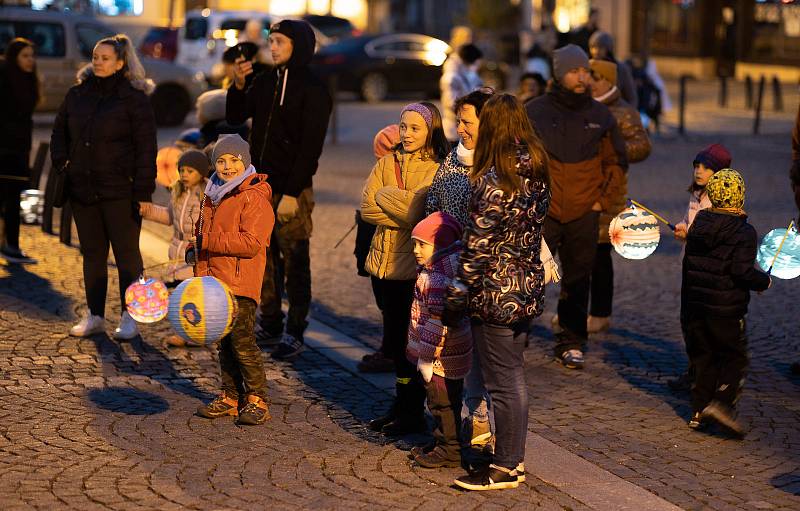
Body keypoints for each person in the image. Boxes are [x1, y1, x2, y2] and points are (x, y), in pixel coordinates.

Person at [443, 93, 550, 491]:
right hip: (525, 286)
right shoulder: (536, 168)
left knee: (503, 383)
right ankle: (511, 461)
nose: (469, 128)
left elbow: (478, 243)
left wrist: (458, 291)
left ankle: (505, 466)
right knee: (512, 377)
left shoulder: (495, 178)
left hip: (495, 292)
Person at [226, 19, 332, 360]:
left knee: (295, 259)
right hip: (259, 186)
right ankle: (270, 320)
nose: (272, 47)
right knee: (263, 257)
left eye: (280, 42)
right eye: (271, 41)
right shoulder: (265, 79)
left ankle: (295, 329)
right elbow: (235, 115)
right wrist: (239, 85)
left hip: (292, 190)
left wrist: (291, 192)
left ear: (298, 45)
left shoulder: (314, 87)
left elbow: (310, 148)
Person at [526, 44, 627, 370]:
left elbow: (616, 162)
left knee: (578, 280)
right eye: (574, 71)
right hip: (544, 210)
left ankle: (571, 340)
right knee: (529, 275)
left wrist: (602, 202)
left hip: (585, 212)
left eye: (585, 71)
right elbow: (518, 158)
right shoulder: (535, 111)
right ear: (559, 74)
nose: (582, 77)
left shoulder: (600, 116)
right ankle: (517, 334)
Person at [51, 34, 157, 340]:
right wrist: (63, 166)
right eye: (95, 57)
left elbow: (146, 149)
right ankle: (95, 315)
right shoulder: (77, 94)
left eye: (105, 58)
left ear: (120, 63)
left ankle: (130, 316)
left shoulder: (134, 99)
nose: (97, 62)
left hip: (121, 192)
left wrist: (143, 193)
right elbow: (59, 133)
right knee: (93, 255)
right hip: (83, 189)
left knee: (127, 257)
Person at [361, 102, 449, 436]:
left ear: (430, 131)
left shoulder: (437, 169)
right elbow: (367, 208)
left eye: (415, 128)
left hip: (410, 270)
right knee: (394, 345)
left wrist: (386, 195)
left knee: (409, 346)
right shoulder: (386, 162)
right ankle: (400, 405)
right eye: (403, 126)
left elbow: (420, 217)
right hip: (380, 268)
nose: (407, 134)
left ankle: (412, 410)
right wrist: (399, 202)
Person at [189, 134, 275, 425]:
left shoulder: (253, 196)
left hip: (240, 283)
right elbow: (204, 236)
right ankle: (229, 396)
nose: (226, 166)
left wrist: (208, 241)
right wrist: (195, 251)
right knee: (223, 343)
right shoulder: (212, 194)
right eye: (221, 161)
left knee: (242, 341)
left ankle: (256, 398)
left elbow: (251, 242)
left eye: (233, 160)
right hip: (215, 282)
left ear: (245, 162)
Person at [425, 88, 494, 448]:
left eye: (468, 122)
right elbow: (435, 200)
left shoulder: (499, 166)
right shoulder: (454, 159)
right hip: (448, 268)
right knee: (453, 349)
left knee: (484, 353)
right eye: (459, 121)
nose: (461, 129)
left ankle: (482, 421)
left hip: (482, 274)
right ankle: (457, 421)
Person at [682, 169, 770, 437]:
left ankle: (698, 412)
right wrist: (762, 281)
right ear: (739, 197)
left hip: (696, 305)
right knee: (733, 356)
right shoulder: (743, 232)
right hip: (726, 310)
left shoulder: (699, 224)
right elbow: (741, 271)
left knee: (704, 357)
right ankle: (722, 402)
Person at [586, 59, 651, 333]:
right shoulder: (583, 106)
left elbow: (642, 146)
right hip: (582, 189)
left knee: (600, 256)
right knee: (577, 256)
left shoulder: (623, 112)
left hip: (609, 192)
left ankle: (600, 313)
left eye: (594, 76)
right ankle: (576, 312)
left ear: (608, 81)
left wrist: (614, 147)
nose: (588, 81)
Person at [405, 212, 472, 468]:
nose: (416, 250)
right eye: (414, 243)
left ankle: (450, 449)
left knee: (441, 403)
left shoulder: (437, 277)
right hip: (447, 355)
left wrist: (425, 358)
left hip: (440, 358)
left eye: (422, 244)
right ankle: (442, 441)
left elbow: (436, 322)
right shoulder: (442, 267)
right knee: (447, 401)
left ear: (441, 243)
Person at [669, 144, 733, 391]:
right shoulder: (695, 195)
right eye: (697, 165)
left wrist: (691, 233)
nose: (699, 171)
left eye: (706, 167)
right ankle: (695, 369)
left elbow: (713, 235)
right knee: (688, 320)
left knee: (704, 323)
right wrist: (681, 226)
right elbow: (689, 222)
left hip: (709, 270)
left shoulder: (718, 201)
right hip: (691, 265)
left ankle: (709, 374)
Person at [139, 149, 210, 347]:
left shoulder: (206, 197)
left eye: (190, 171)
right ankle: (183, 331)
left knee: (195, 298)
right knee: (179, 297)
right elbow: (170, 217)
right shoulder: (178, 193)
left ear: (202, 173)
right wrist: (148, 211)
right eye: (182, 170)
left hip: (195, 253)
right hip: (177, 252)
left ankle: (196, 332)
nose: (185, 174)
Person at [357, 124, 400, 374]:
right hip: (380, 251)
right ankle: (390, 349)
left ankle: (392, 351)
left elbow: (371, 212)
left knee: (393, 303)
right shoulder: (380, 172)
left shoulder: (393, 174)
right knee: (388, 303)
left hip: (393, 251)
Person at [0, 38, 40, 264]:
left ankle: (10, 244)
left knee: (13, 198)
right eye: (25, 56)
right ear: (14, 57)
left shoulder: (26, 80)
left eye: (32, 55)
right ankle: (11, 245)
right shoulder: (6, 80)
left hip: (18, 149)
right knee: (10, 199)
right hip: (6, 150)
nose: (30, 60)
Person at [440, 44, 483, 143]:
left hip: (463, 126)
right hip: (453, 129)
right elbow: (450, 102)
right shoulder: (452, 77)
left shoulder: (464, 71)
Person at [588, 31, 637, 108]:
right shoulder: (588, 67)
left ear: (608, 48)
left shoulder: (621, 68)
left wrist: (627, 114)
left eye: (600, 47)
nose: (596, 51)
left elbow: (632, 98)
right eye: (593, 47)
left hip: (616, 112)